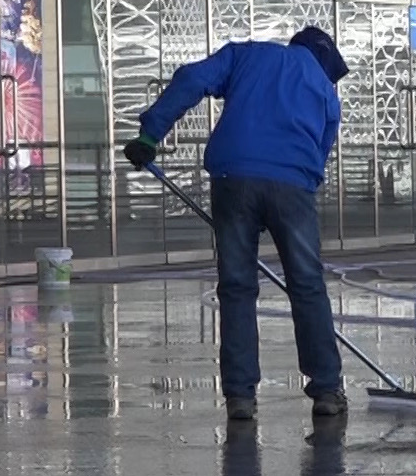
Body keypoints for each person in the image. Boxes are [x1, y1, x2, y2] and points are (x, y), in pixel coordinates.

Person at [124, 27, 349, 422]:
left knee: (237, 288)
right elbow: (322, 149)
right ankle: (327, 389)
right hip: (293, 185)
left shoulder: (246, 55)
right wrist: (298, 184)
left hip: (234, 180)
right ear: (321, 58)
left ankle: (240, 397)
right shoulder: (325, 89)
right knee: (308, 286)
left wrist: (150, 133)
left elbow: (191, 78)